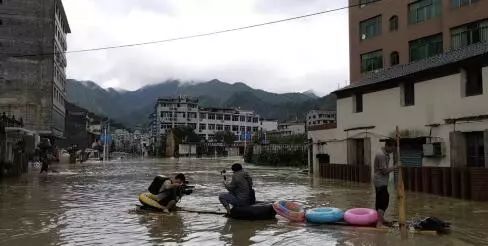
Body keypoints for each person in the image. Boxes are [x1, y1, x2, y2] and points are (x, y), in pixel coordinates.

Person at [374, 140, 397, 228]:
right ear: (387, 146)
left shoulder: (385, 154)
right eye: (392, 148)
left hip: (381, 180)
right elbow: (384, 171)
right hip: (380, 181)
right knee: (384, 201)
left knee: (379, 200)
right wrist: (395, 167)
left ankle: (380, 219)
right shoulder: (381, 155)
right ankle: (379, 223)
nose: (392, 150)